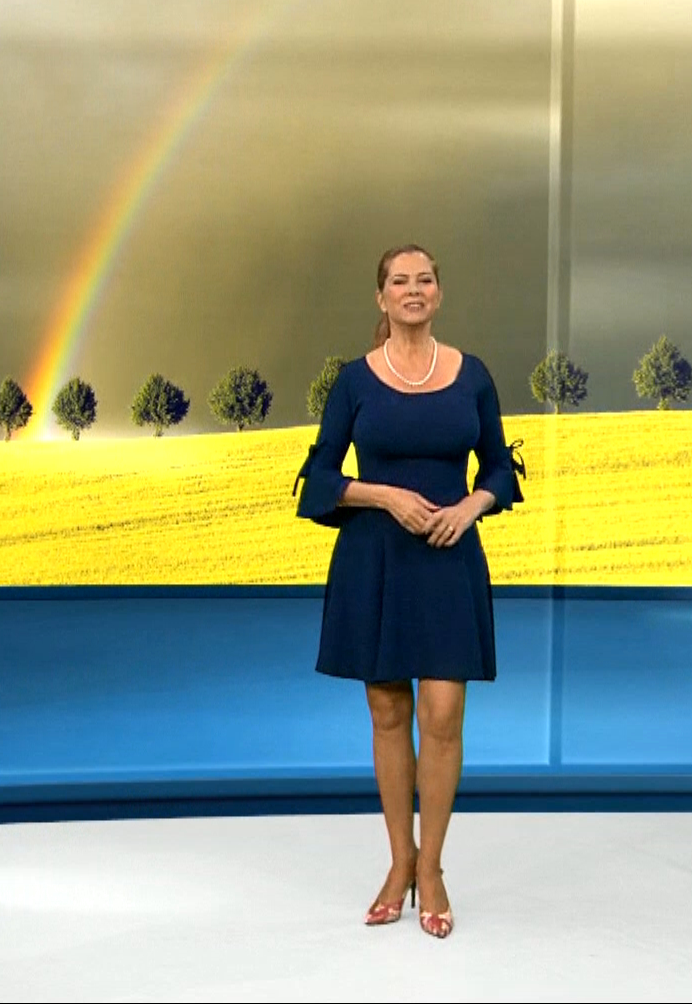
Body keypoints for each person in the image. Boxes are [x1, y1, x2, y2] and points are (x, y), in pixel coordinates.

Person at [292, 243, 525, 940]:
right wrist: (385, 495)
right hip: (377, 560)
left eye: (424, 279)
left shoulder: (472, 375)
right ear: (382, 297)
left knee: (444, 714)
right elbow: (320, 478)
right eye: (400, 281)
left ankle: (433, 868)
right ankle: (401, 863)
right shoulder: (354, 381)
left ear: (438, 294)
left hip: (449, 560)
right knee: (389, 713)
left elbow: (500, 469)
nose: (413, 290)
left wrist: (470, 506)